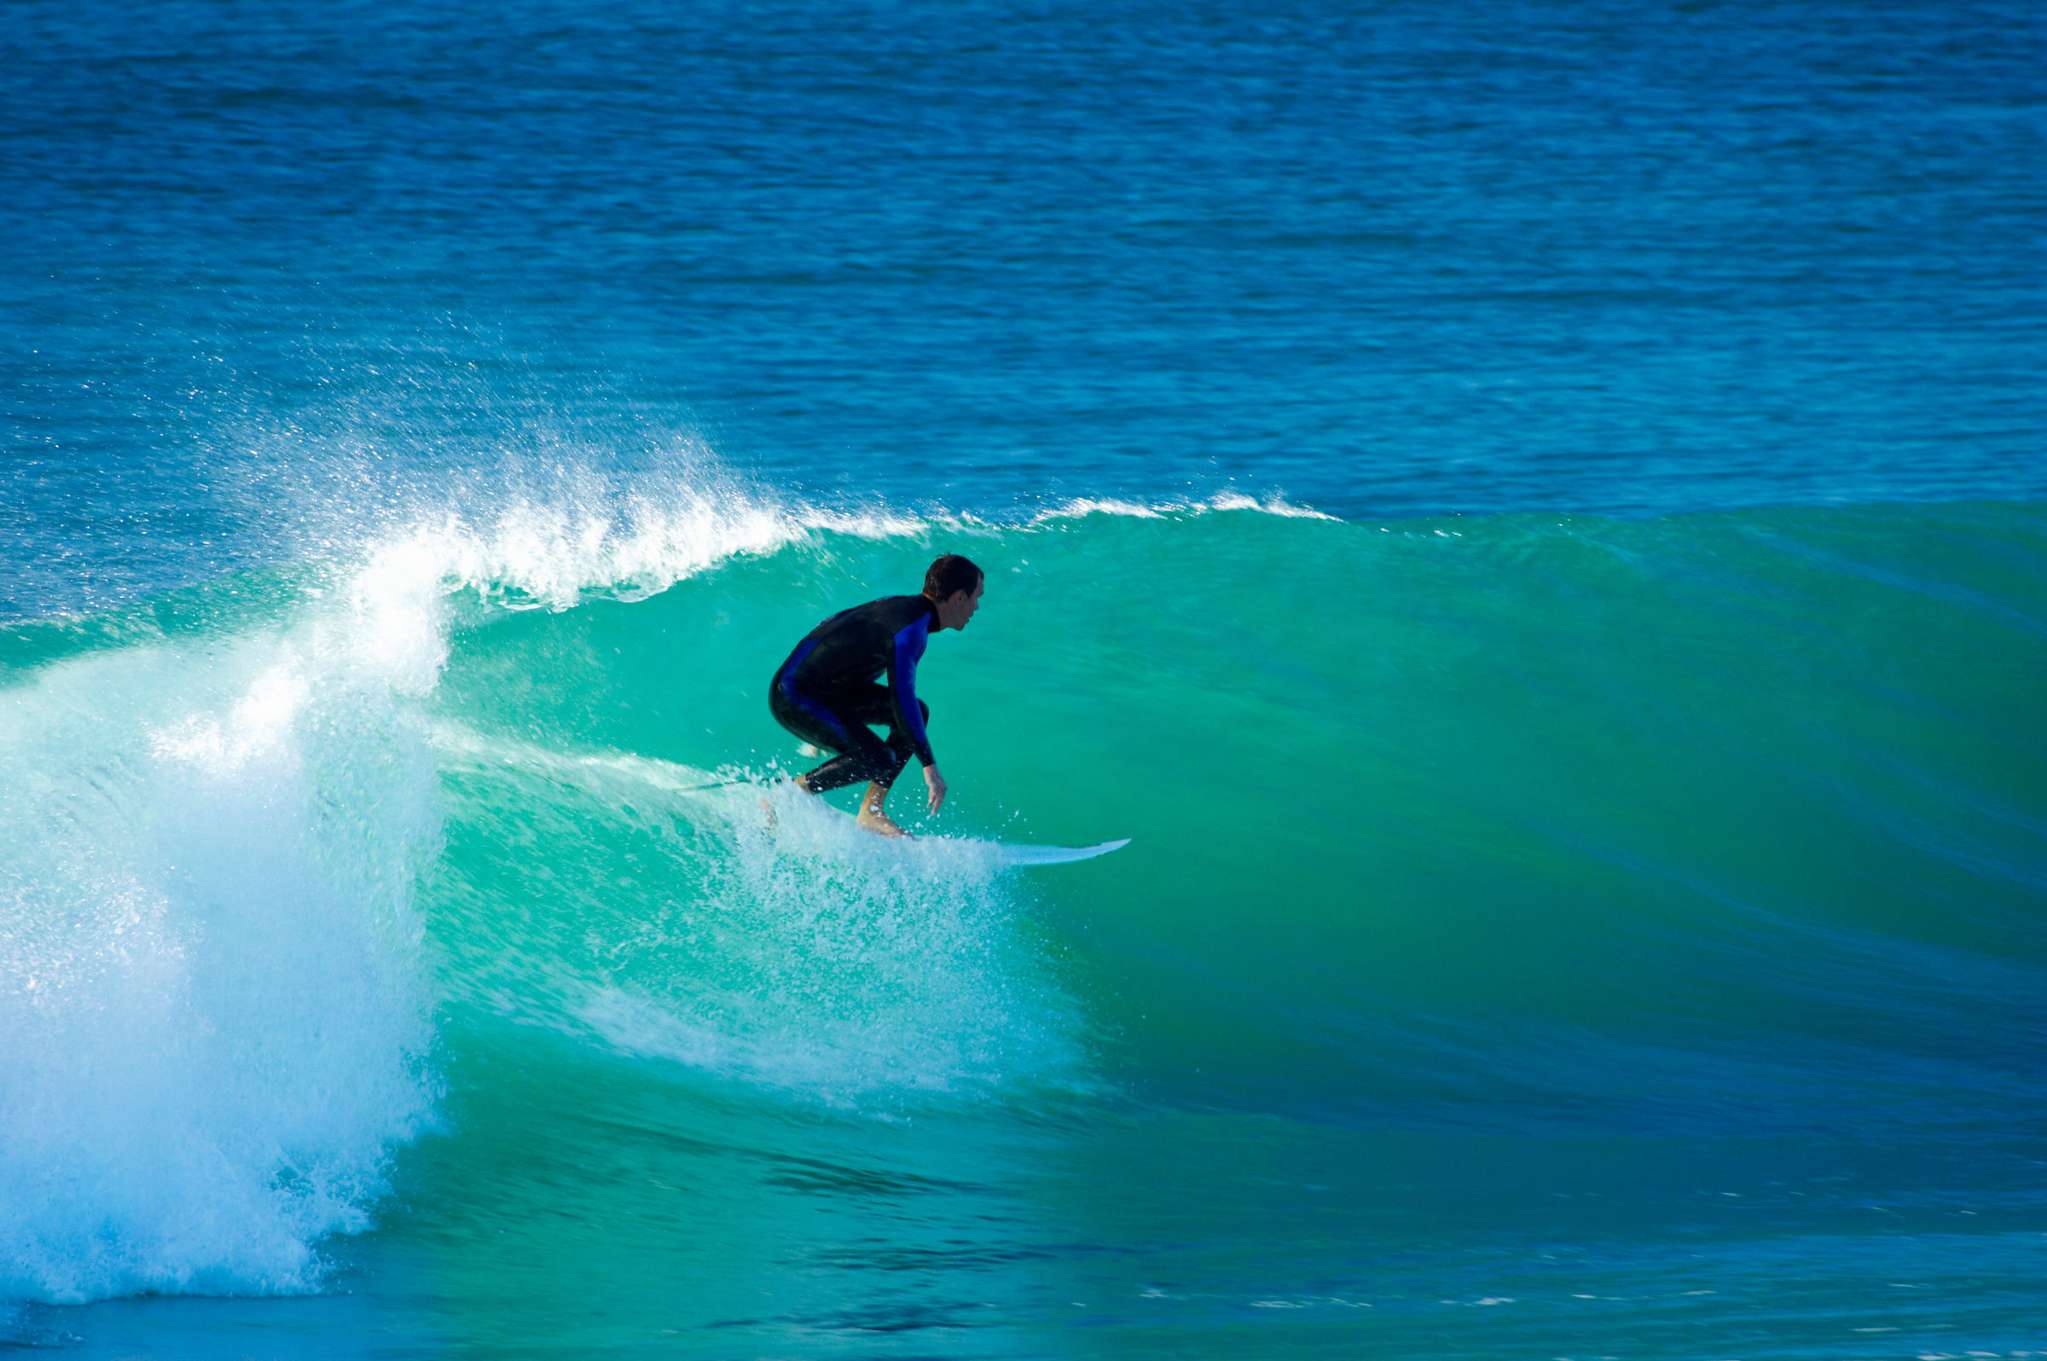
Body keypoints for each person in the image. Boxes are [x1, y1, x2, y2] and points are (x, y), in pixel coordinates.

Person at [768, 554, 984, 836]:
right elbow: (901, 696)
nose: (976, 607)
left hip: (824, 691)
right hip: (795, 697)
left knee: (916, 715)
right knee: (880, 757)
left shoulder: (905, 610)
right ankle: (786, 795)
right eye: (976, 597)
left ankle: (872, 810)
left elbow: (836, 631)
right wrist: (929, 766)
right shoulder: (911, 631)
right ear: (958, 598)